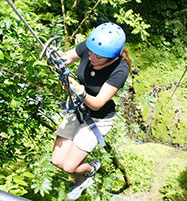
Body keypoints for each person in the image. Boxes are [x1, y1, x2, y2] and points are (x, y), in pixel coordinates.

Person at [51, 22, 132, 200]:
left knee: (69, 166)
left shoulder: (120, 70)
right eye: (90, 52)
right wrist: (56, 58)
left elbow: (97, 103)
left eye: (98, 57)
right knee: (57, 160)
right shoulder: (90, 47)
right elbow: (66, 57)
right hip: (78, 110)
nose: (91, 57)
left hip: (97, 119)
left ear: (112, 57)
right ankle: (81, 179)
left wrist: (80, 91)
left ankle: (91, 169)